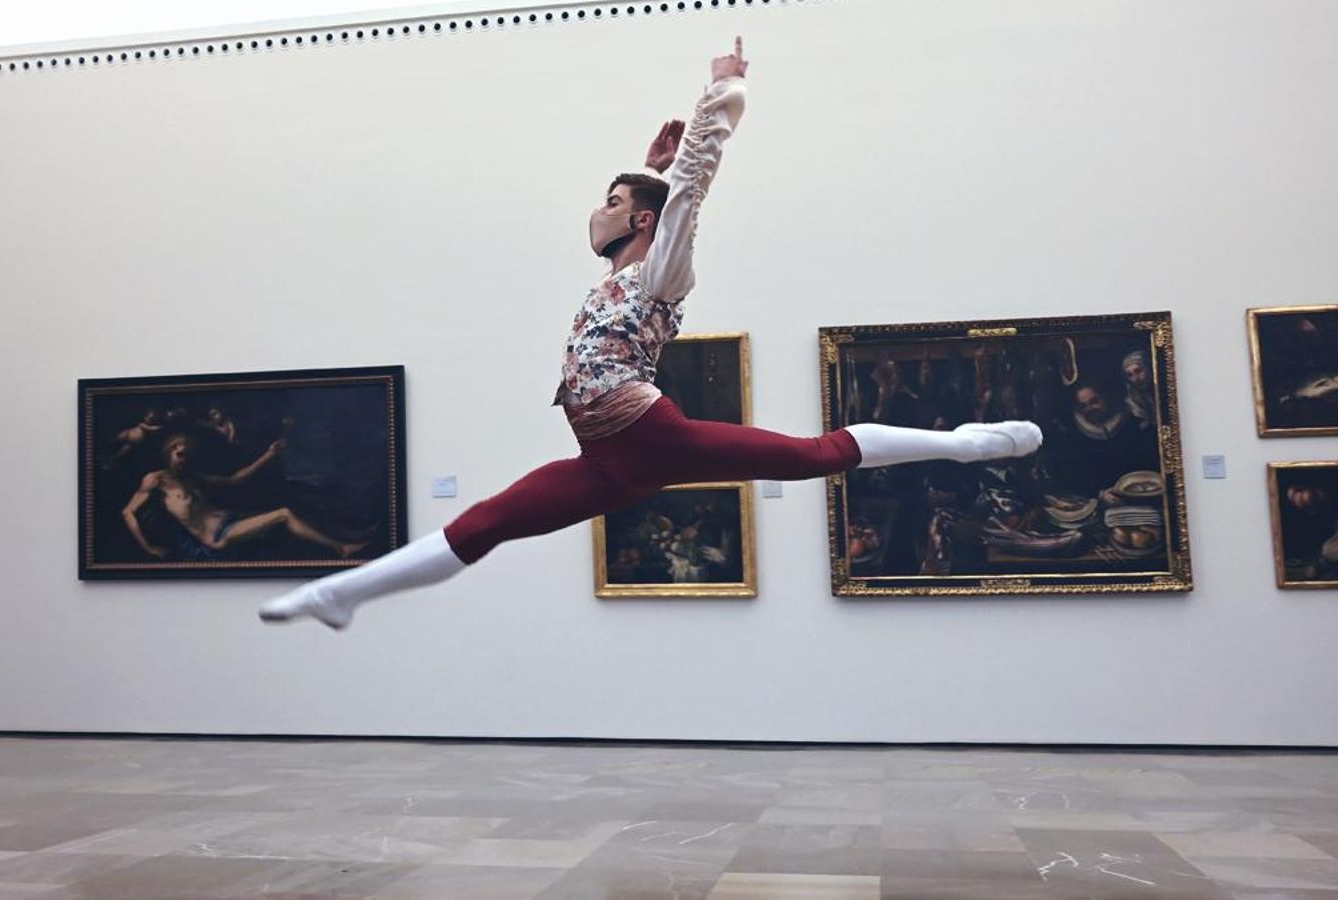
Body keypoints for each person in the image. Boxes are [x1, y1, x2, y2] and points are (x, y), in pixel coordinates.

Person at [260, 38, 1042, 629]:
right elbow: (665, 198)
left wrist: (720, 90)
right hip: (608, 459)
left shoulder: (662, 271)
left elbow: (691, 189)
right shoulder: (624, 269)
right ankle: (341, 595)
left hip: (647, 432)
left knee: (816, 456)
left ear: (637, 218)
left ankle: (972, 442)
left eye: (610, 200)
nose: (593, 211)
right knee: (487, 524)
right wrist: (650, 172)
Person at [125, 432, 365, 561]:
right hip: (219, 538)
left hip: (232, 520)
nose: (183, 459)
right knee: (283, 515)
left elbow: (234, 480)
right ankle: (342, 548)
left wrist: (268, 456)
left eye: (187, 455)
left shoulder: (193, 477)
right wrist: (148, 548)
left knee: (296, 504)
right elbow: (128, 512)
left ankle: (346, 533)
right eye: (179, 454)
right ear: (169, 454)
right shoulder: (155, 480)